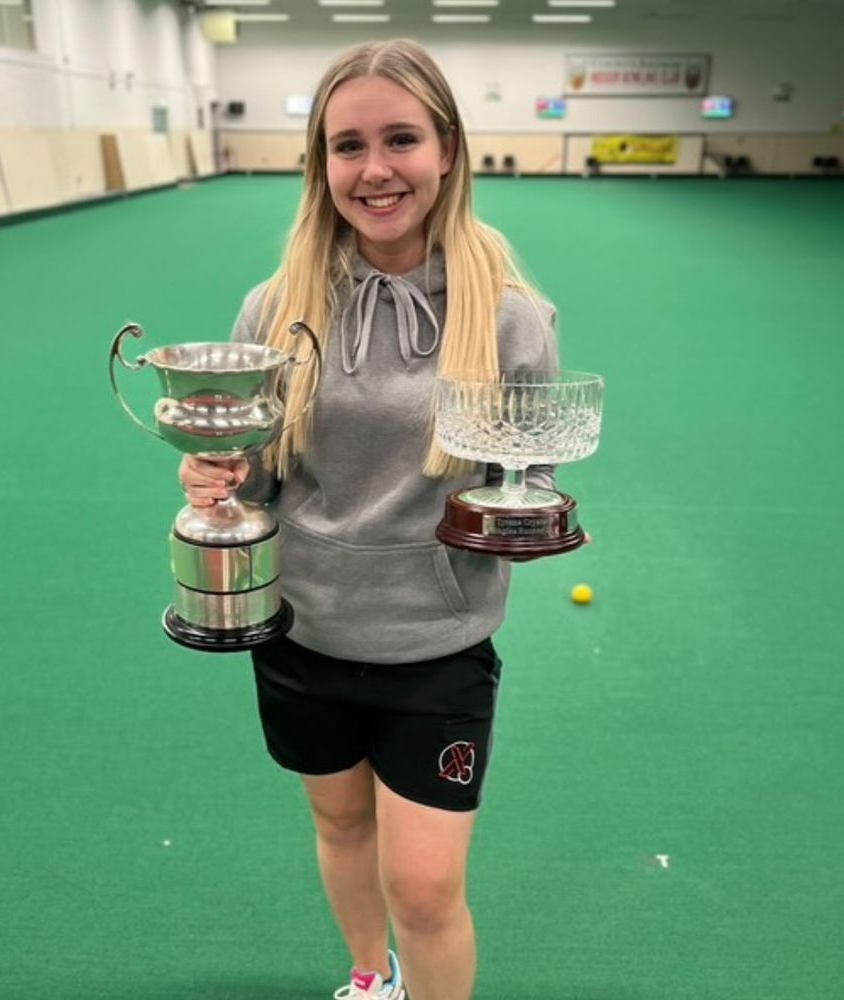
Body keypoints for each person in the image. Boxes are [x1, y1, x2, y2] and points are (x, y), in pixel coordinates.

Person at [181, 39, 560, 1000]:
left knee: (426, 886)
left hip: (436, 643)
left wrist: (526, 508)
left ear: (446, 151)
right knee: (341, 827)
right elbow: (259, 476)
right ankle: (369, 978)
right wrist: (217, 478)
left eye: (401, 139)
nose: (376, 169)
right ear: (321, 164)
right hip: (302, 629)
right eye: (348, 146)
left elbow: (530, 479)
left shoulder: (512, 318)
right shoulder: (274, 307)